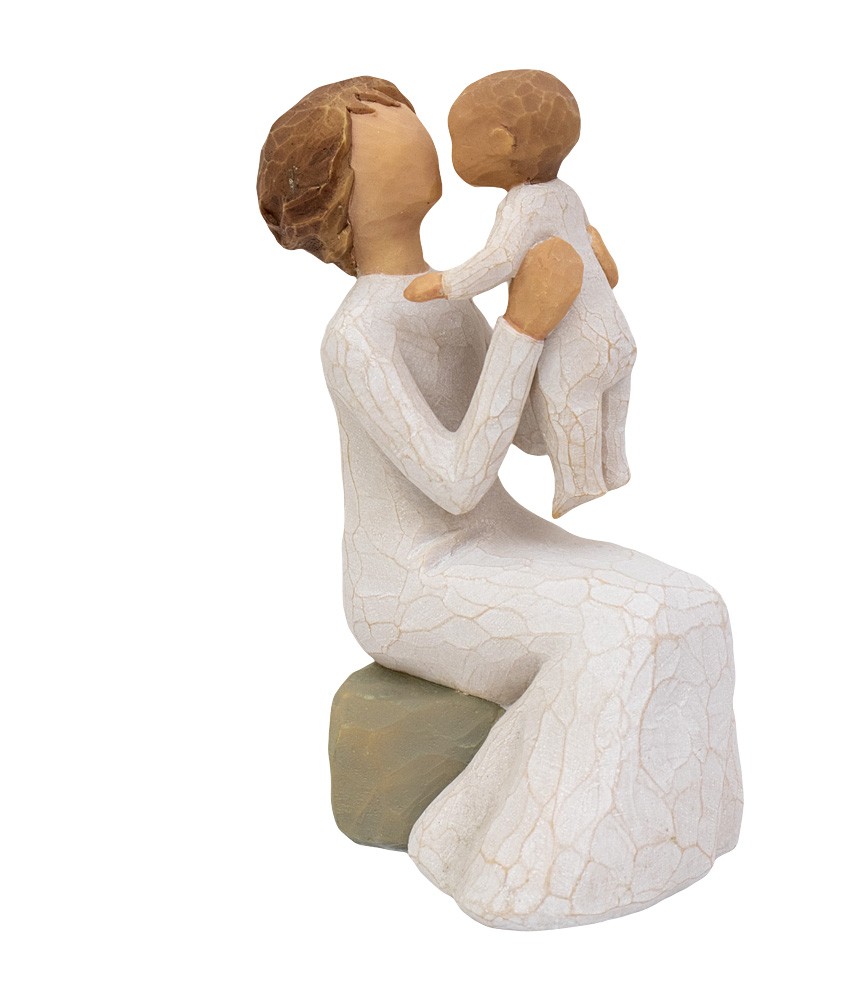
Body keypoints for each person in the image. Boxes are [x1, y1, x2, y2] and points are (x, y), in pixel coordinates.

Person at [258, 78, 742, 930]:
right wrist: (521, 325)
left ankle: (674, 836)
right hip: (414, 579)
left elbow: (525, 436)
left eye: (403, 110)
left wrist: (577, 310)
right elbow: (454, 482)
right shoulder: (359, 334)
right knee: (622, 628)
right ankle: (502, 859)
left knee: (694, 604)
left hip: (495, 541)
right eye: (376, 123)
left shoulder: (445, 303)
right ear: (339, 190)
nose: (410, 125)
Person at [404, 70, 636, 518]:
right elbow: (594, 252)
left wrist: (445, 283)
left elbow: (499, 261)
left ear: (501, 142)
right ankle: (615, 465)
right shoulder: (566, 195)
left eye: (459, 140)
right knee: (610, 399)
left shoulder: (522, 205)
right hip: (616, 331)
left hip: (578, 345)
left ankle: (579, 483)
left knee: (566, 399)